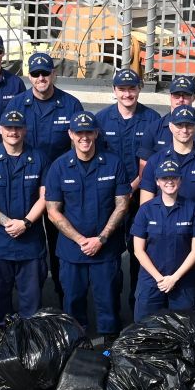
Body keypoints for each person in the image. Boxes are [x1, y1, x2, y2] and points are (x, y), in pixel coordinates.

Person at [43, 113, 129, 342]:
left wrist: (101, 238)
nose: (84, 137)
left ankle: (110, 347)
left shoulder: (113, 163)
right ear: (70, 134)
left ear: (96, 133)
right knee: (73, 301)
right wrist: (81, 240)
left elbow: (122, 205)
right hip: (73, 250)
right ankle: (76, 345)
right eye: (79, 132)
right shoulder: (59, 167)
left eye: (88, 132)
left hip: (106, 248)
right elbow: (52, 211)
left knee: (109, 300)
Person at [0, 108, 48, 326]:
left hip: (30, 243)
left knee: (32, 303)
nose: (13, 132)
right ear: (0, 129)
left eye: (18, 128)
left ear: (25, 130)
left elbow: (45, 197)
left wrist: (25, 223)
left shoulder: (39, 158)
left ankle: (29, 339)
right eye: (8, 127)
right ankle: (4, 337)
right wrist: (7, 222)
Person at [131, 157, 195, 316]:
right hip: (151, 282)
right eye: (164, 178)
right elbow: (138, 250)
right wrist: (160, 279)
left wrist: (174, 278)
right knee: (147, 327)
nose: (169, 181)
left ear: (180, 180)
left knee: (184, 327)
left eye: (174, 177)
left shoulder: (193, 209)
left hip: (183, 282)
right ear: (157, 182)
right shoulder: (145, 210)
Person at [139, 106, 195, 224]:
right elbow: (145, 204)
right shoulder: (155, 161)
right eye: (179, 125)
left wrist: (194, 227)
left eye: (189, 125)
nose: (184, 130)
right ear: (170, 126)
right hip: (160, 231)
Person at [7, 52, 83, 162]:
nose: (41, 78)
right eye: (35, 74)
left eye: (45, 73)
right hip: (26, 168)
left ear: (53, 73)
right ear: (29, 76)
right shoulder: (16, 105)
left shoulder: (72, 105)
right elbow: (7, 141)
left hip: (58, 168)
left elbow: (81, 144)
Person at [95, 69, 161, 190]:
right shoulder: (101, 119)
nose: (127, 94)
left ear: (139, 88)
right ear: (114, 90)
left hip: (144, 188)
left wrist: (132, 187)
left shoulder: (153, 119)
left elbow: (156, 158)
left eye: (132, 88)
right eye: (122, 89)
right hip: (109, 187)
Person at [148, 75, 195, 159]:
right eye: (176, 95)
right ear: (170, 96)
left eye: (186, 95)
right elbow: (145, 165)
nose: (181, 99)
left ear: (193, 97)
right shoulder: (153, 129)